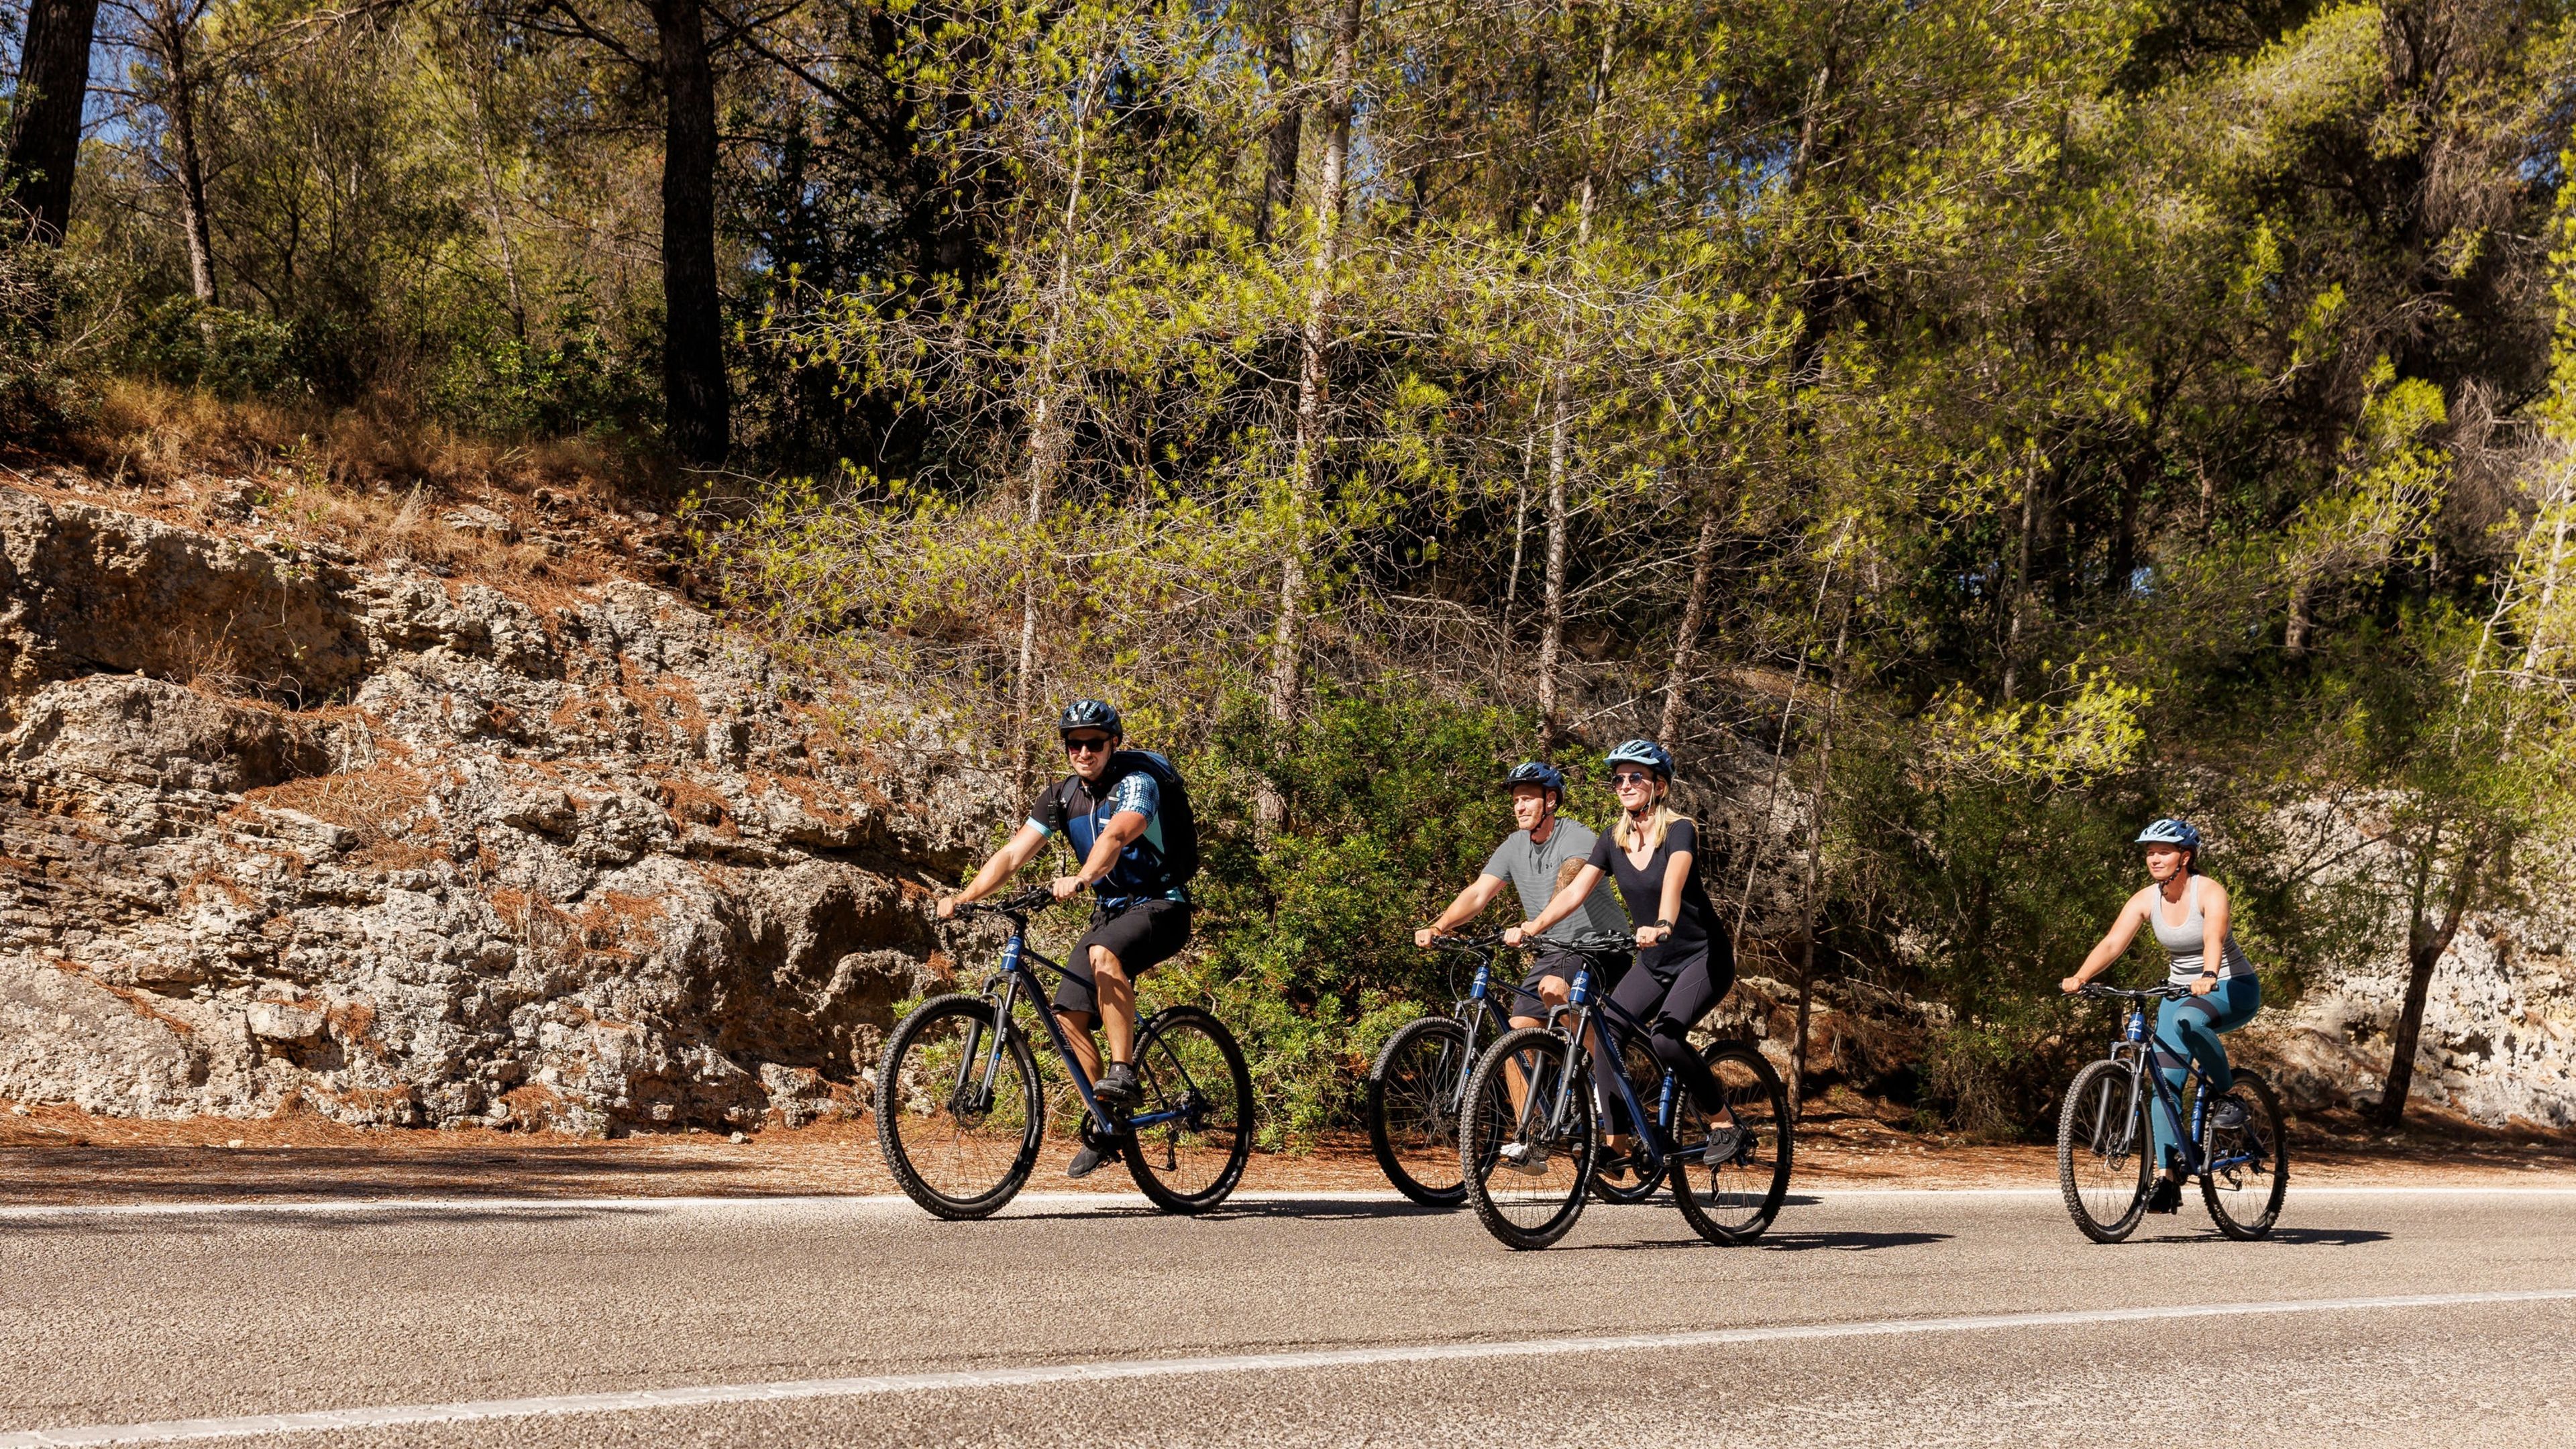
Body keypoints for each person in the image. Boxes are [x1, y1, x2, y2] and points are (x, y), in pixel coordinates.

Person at [937, 699, 1197, 1178]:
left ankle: (1122, 1070)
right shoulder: (1060, 797)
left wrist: (1080, 878)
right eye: (1074, 743)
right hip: (1112, 911)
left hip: (1162, 904)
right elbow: (1014, 853)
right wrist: (964, 896)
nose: (1084, 752)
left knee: (1102, 953)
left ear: (1113, 743)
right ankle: (1107, 1121)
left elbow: (1118, 835)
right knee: (1068, 1014)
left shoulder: (1136, 783)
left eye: (1094, 743)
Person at [1509, 739, 1734, 1158]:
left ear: (1659, 786)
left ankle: (1724, 1122)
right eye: (1618, 779)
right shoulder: (1612, 839)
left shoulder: (1680, 829)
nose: (1625, 784)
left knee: (1667, 1038)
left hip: (1702, 956)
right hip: (1655, 961)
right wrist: (1532, 926)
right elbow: (1576, 891)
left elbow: (1674, 881)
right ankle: (1619, 1142)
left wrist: (1663, 923)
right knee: (1607, 1033)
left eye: (1636, 777)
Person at [1416, 761, 1635, 1169]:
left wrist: (1532, 926)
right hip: (1554, 950)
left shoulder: (1577, 835)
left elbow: (1572, 878)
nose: (1519, 807)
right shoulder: (1514, 846)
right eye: (1515, 800)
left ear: (1550, 800)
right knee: (1516, 1034)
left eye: (1527, 798)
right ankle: (1530, 1136)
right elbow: (1480, 892)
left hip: (1599, 947)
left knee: (1554, 989)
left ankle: (1607, 1076)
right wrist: (1441, 925)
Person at [2060, 818, 2261, 1214]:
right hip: (2178, 991)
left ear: (2185, 857)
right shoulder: (2145, 899)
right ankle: (2169, 1180)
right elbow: (2114, 941)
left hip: (2229, 986)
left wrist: (2207, 975)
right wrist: (2082, 975)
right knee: (2163, 1085)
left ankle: (2227, 1097)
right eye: (2150, 852)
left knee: (2190, 1020)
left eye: (2163, 851)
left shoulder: (2210, 892)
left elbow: (2213, 938)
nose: (2154, 858)